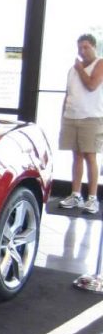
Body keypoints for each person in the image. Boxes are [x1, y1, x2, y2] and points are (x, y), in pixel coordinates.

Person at [59, 33, 103, 214]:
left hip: (91, 117)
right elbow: (68, 93)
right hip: (71, 117)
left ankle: (92, 198)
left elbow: (92, 85)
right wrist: (63, 116)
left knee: (90, 156)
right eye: (80, 48)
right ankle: (75, 194)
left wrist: (80, 68)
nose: (82, 51)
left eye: (86, 47)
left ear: (94, 47)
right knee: (76, 155)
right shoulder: (73, 69)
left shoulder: (99, 63)